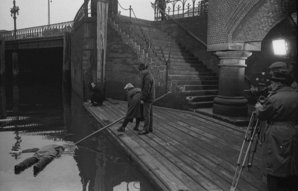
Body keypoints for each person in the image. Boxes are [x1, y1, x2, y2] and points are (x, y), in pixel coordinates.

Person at [255, 62, 298, 191]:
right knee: (291, 160)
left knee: (274, 161)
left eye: (273, 82)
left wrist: (258, 108)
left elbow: (263, 115)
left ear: (278, 83)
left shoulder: (274, 98)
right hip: (293, 130)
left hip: (276, 132)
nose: (271, 85)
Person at [137, 62, 155, 135]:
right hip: (151, 97)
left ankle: (145, 129)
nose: (140, 73)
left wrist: (142, 99)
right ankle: (150, 128)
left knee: (146, 114)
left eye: (140, 71)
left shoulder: (146, 77)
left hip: (147, 98)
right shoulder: (149, 75)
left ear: (141, 70)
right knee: (150, 114)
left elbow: (146, 89)